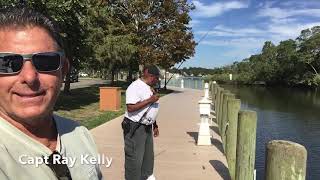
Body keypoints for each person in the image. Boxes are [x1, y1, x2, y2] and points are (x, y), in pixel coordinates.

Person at [0, 7, 102, 180]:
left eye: (45, 61)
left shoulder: (80, 134)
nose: (30, 77)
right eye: (8, 63)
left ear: (64, 70)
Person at [122, 65, 160, 180]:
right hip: (135, 127)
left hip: (147, 127)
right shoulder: (135, 87)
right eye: (156, 78)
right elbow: (131, 108)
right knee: (134, 160)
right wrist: (150, 100)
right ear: (150, 75)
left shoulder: (148, 87)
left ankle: (146, 176)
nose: (157, 80)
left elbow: (150, 109)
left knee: (147, 158)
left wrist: (155, 124)